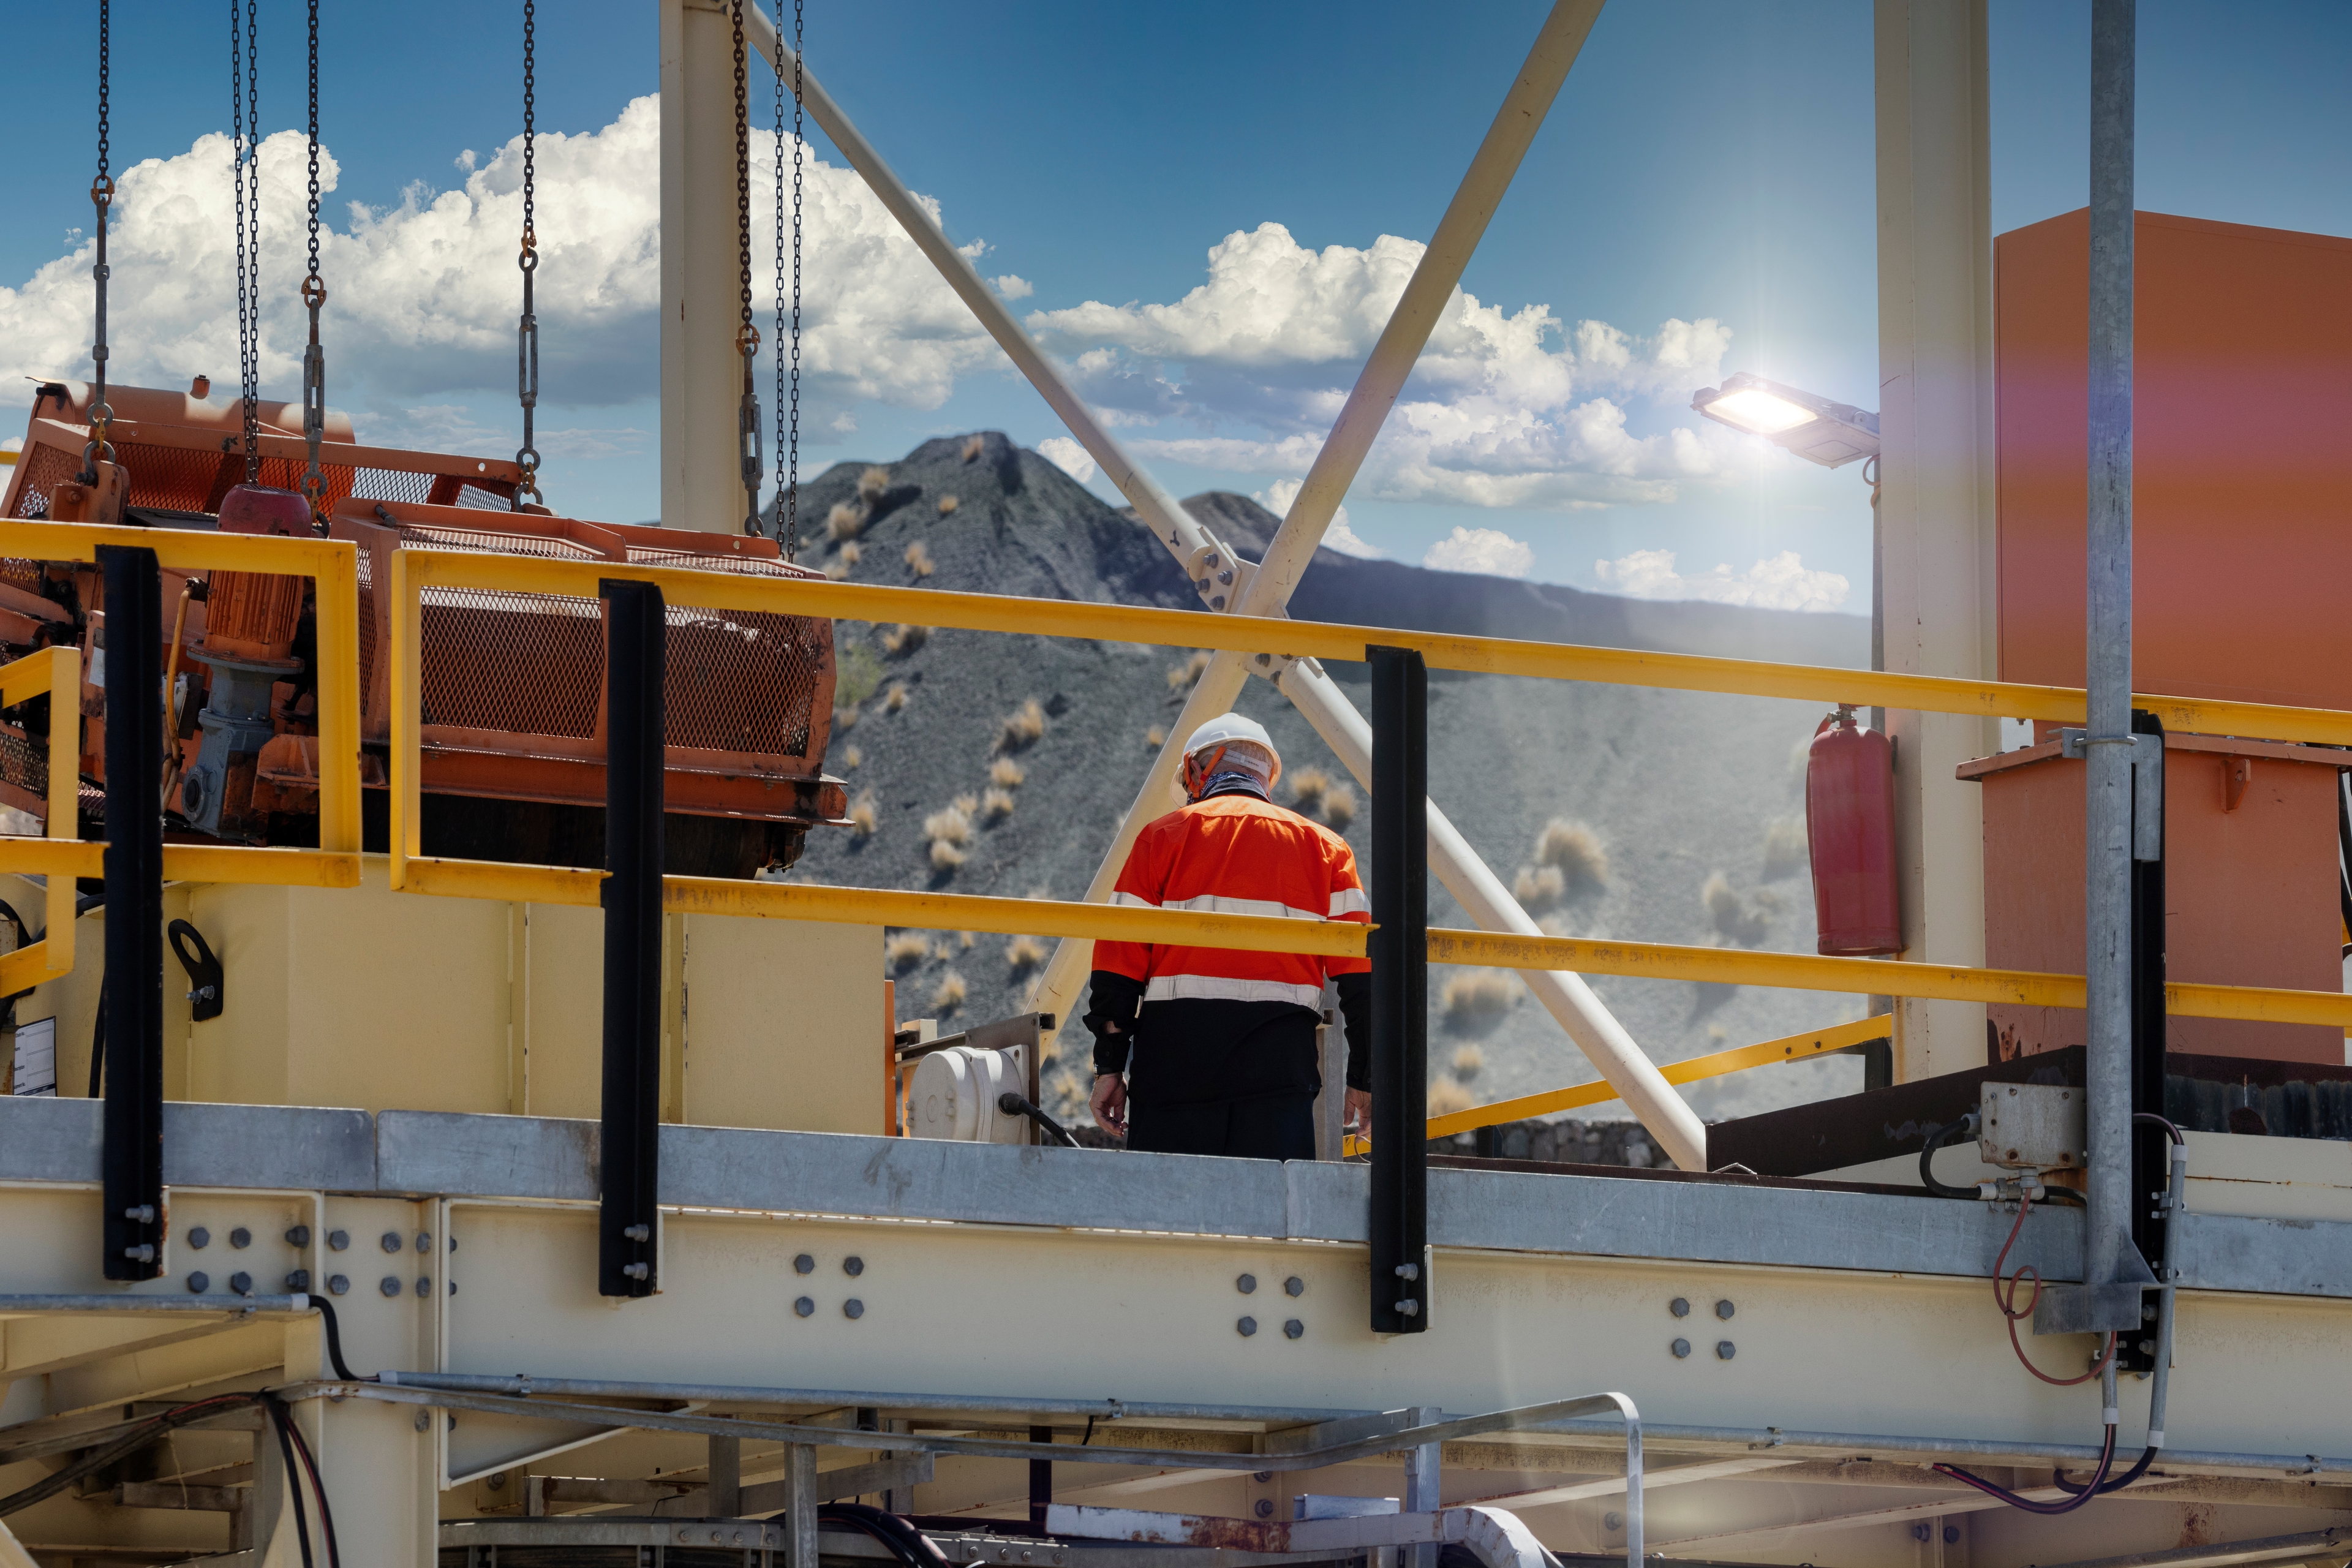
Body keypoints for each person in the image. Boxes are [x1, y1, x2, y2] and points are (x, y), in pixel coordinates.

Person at [1084, 714, 1374, 1160]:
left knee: (1164, 1225)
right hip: (1279, 1081)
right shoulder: (1328, 850)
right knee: (1271, 1227)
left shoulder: (1160, 838)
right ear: (1266, 776)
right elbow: (1362, 980)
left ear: (1199, 771)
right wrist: (1367, 1076)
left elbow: (1116, 970)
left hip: (1173, 1078)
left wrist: (1109, 1066)